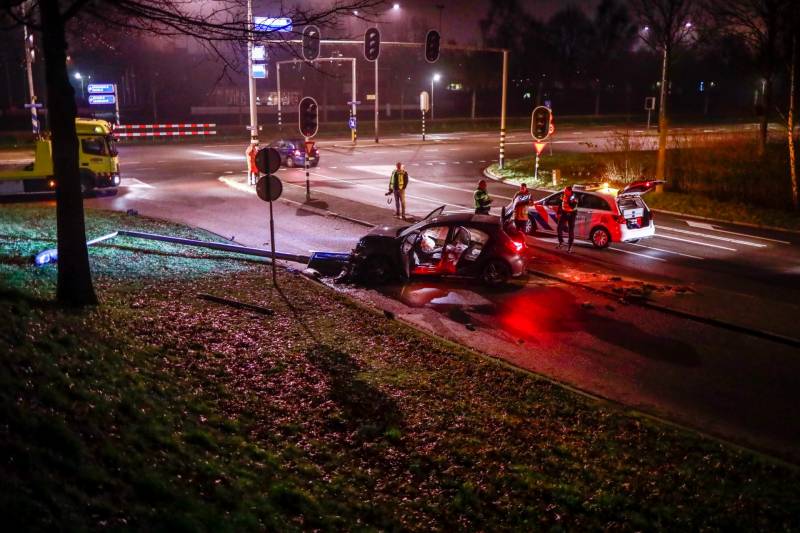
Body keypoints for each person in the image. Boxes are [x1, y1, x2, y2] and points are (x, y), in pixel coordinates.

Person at [557, 184, 578, 252]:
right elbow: (561, 203)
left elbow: (572, 206)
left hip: (571, 214)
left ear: (570, 191)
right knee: (559, 227)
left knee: (571, 230)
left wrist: (569, 200)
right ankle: (561, 242)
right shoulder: (563, 195)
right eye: (564, 190)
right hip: (564, 213)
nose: (564, 191)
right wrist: (559, 212)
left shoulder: (573, 197)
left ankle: (570, 247)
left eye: (566, 190)